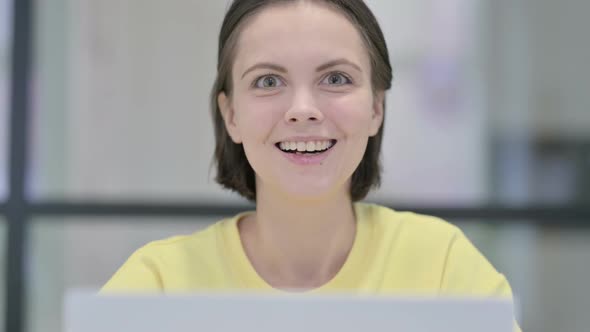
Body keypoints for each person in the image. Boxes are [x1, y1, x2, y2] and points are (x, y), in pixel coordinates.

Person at [103, 0, 521, 330]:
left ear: (376, 107)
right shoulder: (157, 286)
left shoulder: (443, 269)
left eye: (336, 79)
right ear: (231, 115)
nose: (303, 110)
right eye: (268, 81)